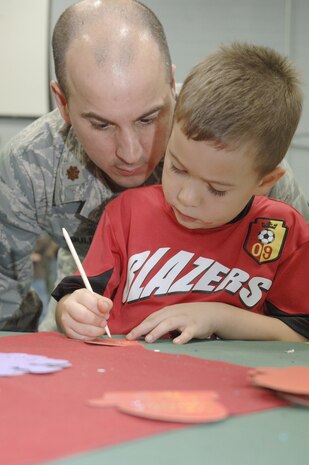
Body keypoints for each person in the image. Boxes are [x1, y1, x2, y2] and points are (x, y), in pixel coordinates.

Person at [0, 1, 308, 333]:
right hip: (92, 300)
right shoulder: (29, 164)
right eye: (102, 125)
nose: (131, 153)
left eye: (149, 118)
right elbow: (8, 298)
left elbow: (292, 304)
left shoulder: (239, 153)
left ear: (171, 85)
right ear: (63, 103)